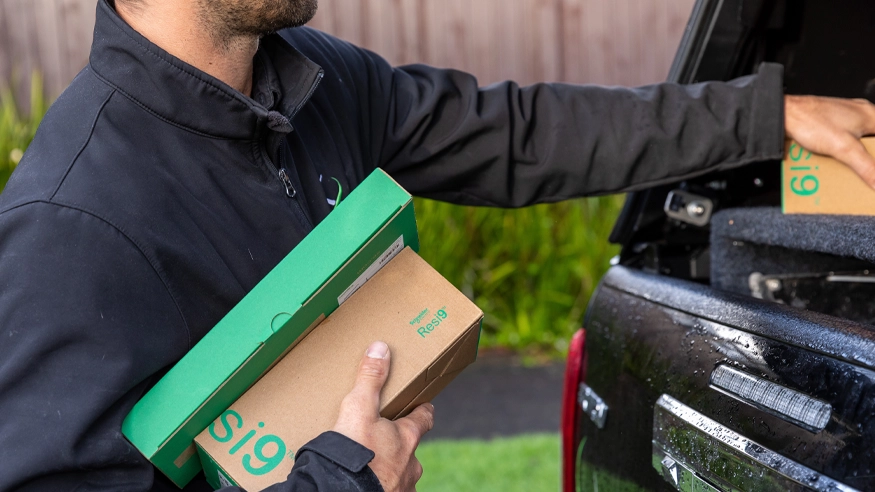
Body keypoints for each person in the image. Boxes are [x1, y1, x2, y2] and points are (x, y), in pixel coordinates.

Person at [1, 0, 874, 490]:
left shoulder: (312, 80)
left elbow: (515, 133)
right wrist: (340, 483)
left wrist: (765, 116)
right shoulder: (71, 226)